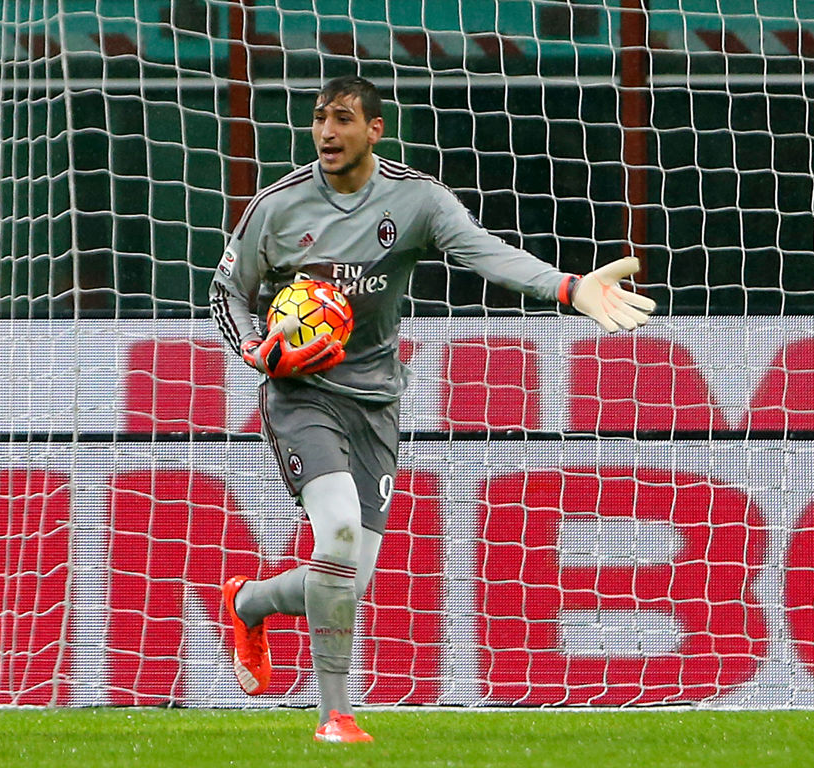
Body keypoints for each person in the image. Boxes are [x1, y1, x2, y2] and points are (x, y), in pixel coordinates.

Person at [209, 75, 656, 742]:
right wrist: (254, 349)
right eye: (319, 118)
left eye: (342, 118)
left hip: (375, 403)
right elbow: (227, 291)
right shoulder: (278, 206)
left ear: (375, 129)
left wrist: (567, 288)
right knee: (336, 536)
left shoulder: (416, 200)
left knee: (347, 579)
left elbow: (486, 254)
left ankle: (248, 602)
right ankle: (334, 716)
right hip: (301, 395)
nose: (327, 131)